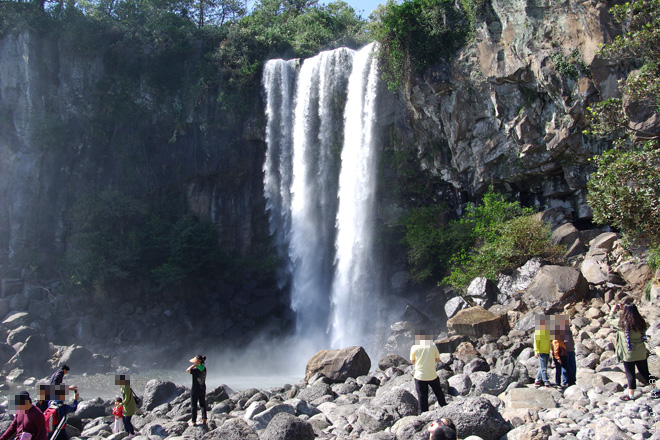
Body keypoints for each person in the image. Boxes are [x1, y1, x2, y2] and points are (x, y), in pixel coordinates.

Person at [610, 303, 651, 401]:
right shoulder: (641, 322)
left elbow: (610, 320)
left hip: (629, 354)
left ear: (625, 312)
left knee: (630, 374)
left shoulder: (622, 324)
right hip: (641, 352)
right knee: (645, 373)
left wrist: (613, 310)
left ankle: (631, 395)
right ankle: (656, 389)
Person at [410, 330, 447, 414]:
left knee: (422, 395)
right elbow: (437, 359)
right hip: (432, 374)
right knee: (438, 391)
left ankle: (423, 413)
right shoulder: (433, 346)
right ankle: (444, 406)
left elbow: (412, 361)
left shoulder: (414, 347)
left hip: (420, 376)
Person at [186, 355, 207, 426]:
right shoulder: (204, 368)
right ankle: (204, 419)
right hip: (202, 388)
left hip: (195, 389)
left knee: (194, 406)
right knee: (202, 404)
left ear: (199, 361)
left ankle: (193, 421)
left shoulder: (196, 369)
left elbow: (188, 370)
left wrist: (193, 365)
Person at [533, 315, 552, 388]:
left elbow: (550, 340)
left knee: (543, 367)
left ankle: (538, 380)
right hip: (541, 352)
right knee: (544, 368)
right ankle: (546, 381)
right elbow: (536, 342)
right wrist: (536, 351)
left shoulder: (548, 332)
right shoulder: (538, 332)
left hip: (547, 351)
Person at [560, 315, 576, 386]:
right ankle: (565, 381)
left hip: (571, 351)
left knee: (572, 367)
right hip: (565, 352)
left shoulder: (569, 331)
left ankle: (572, 380)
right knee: (565, 368)